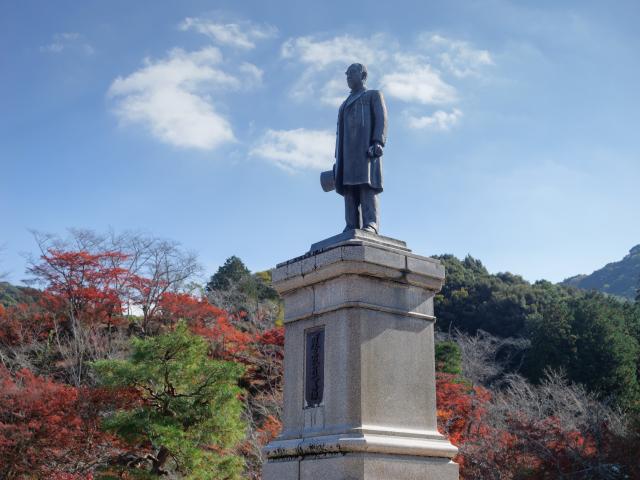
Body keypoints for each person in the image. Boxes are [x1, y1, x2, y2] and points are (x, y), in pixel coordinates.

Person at [333, 63, 388, 234]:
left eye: (352, 73)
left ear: (363, 75)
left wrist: (378, 141)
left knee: (366, 185)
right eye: (346, 74)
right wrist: (337, 157)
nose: (348, 76)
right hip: (347, 152)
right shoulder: (343, 104)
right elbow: (338, 132)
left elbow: (381, 119)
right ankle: (351, 224)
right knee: (348, 188)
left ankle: (370, 223)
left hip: (365, 148)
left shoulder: (373, 95)